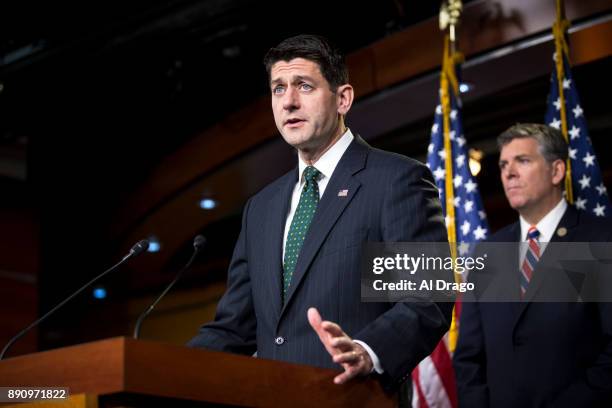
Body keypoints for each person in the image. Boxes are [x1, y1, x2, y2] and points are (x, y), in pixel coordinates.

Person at [187, 34, 452, 390]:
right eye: (278, 89)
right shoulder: (260, 208)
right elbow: (234, 327)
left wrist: (367, 351)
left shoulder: (396, 180)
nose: (289, 102)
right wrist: (158, 369)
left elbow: (427, 298)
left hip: (354, 397)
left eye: (304, 86)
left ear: (343, 99)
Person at [453, 123, 612, 407]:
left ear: (556, 171)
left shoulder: (601, 239)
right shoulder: (488, 252)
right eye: (503, 165)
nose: (508, 173)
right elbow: (469, 358)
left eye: (522, 161)